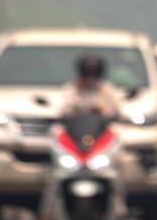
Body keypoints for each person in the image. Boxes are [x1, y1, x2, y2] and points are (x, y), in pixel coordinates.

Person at [40, 53, 126, 220]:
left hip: (98, 141)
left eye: (93, 72)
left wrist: (102, 112)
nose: (90, 77)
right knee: (53, 175)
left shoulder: (107, 91)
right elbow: (62, 110)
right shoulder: (71, 90)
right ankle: (46, 211)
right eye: (88, 72)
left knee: (117, 170)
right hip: (75, 139)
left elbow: (116, 112)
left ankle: (120, 207)